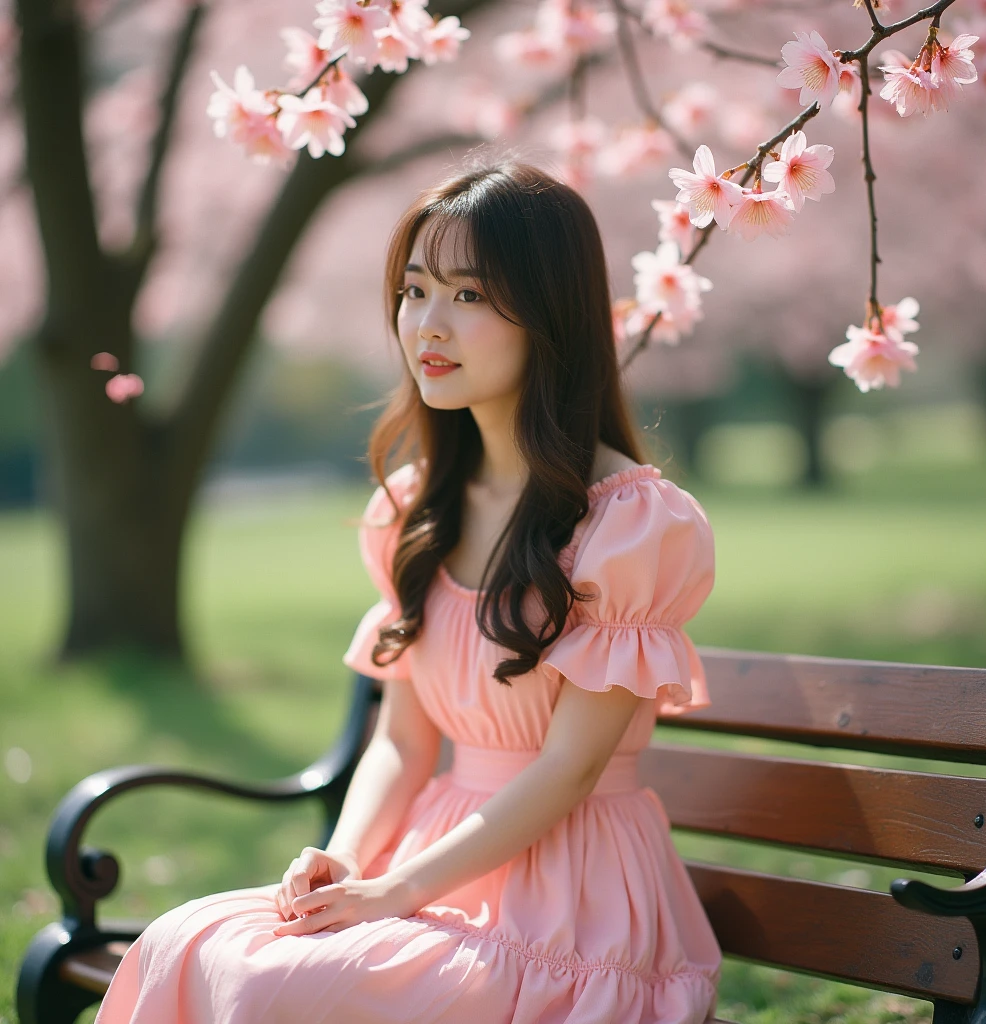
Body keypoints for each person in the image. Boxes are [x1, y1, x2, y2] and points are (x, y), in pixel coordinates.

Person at [94, 157, 722, 1023]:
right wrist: (347, 863)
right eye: (415, 289)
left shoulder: (632, 527)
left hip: (570, 901)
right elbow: (401, 741)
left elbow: (570, 771)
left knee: (272, 985)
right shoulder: (413, 510)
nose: (428, 323)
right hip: (425, 867)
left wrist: (395, 891)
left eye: (469, 296)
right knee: (184, 940)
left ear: (551, 314)